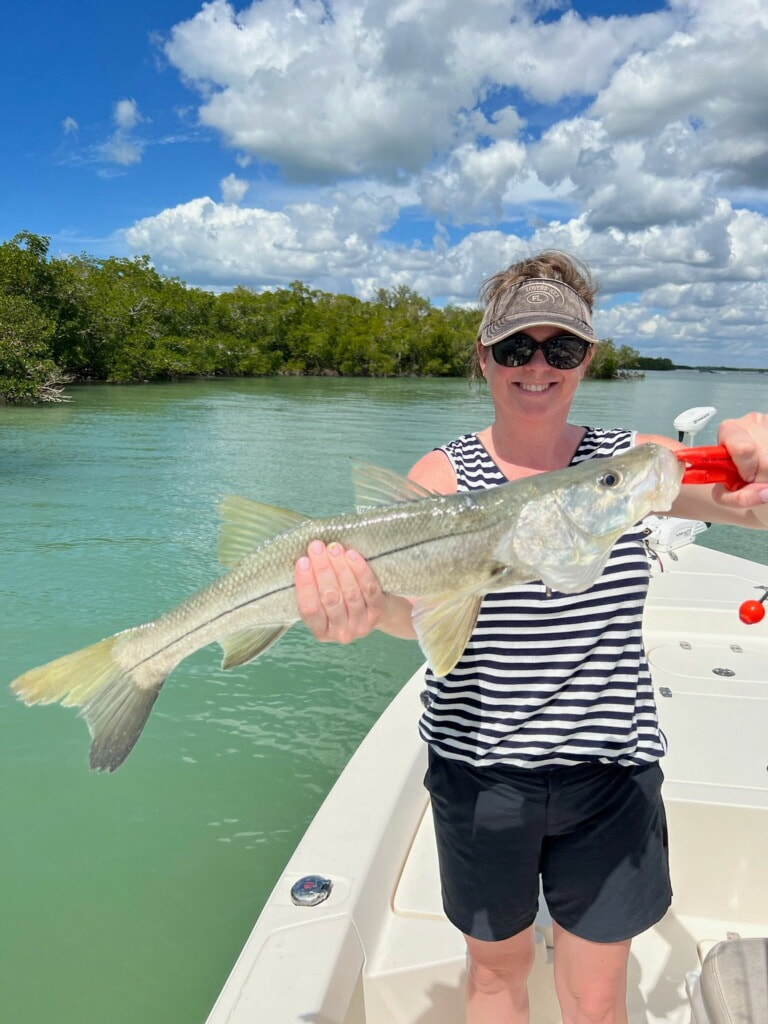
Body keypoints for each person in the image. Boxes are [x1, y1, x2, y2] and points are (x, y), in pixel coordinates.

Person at [292, 251, 768, 1024]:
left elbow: (750, 508)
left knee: (595, 1000)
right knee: (493, 981)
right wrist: (350, 611)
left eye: (562, 348)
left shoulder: (631, 466)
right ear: (484, 358)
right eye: (516, 347)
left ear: (588, 358)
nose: (537, 367)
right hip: (482, 776)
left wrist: (760, 459)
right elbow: (411, 615)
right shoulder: (443, 480)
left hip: (609, 770)